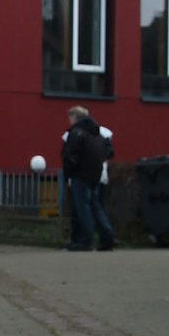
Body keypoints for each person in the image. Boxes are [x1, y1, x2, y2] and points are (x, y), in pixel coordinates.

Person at [61, 106, 115, 251]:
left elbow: (70, 156)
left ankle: (85, 241)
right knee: (96, 207)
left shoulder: (76, 133)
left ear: (74, 117)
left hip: (80, 176)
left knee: (83, 208)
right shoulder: (97, 133)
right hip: (96, 176)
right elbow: (107, 152)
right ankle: (107, 236)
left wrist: (69, 174)